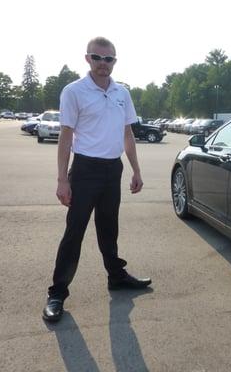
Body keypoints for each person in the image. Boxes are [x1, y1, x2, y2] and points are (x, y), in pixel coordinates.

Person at [43, 37, 151, 322]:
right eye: (97, 57)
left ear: (115, 61)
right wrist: (62, 180)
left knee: (108, 228)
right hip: (84, 171)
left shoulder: (122, 93)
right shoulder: (74, 91)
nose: (103, 64)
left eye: (109, 59)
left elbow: (127, 134)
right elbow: (66, 136)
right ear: (87, 59)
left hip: (111, 170)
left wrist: (136, 170)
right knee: (74, 233)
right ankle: (57, 293)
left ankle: (116, 276)